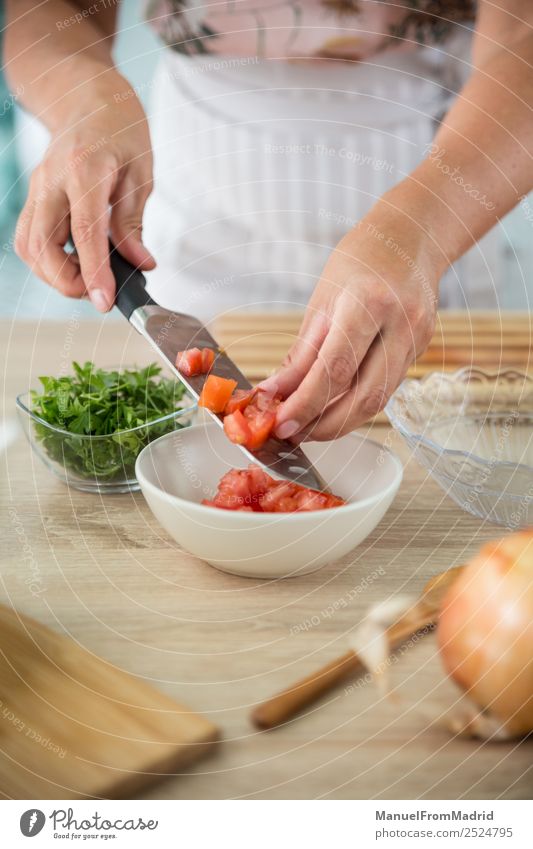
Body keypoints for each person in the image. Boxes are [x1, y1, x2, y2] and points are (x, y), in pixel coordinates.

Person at [4, 1, 533, 442]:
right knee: (190, 446)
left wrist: (422, 227)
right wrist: (86, 99)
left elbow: (521, 34)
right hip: (196, 195)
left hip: (447, 175)